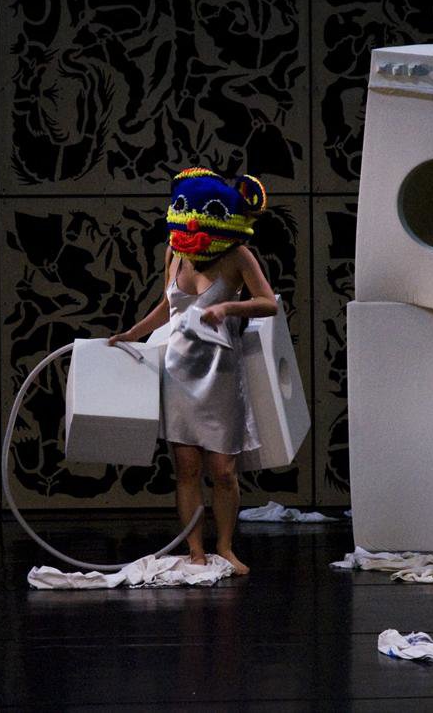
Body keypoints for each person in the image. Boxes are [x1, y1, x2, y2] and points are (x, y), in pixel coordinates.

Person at [109, 166, 277, 575]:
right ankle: (196, 550)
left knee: (223, 470)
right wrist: (133, 333)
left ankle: (225, 546)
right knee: (186, 468)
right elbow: (168, 306)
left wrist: (229, 307)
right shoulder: (174, 251)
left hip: (220, 374)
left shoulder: (238, 256)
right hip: (179, 372)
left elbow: (268, 303)